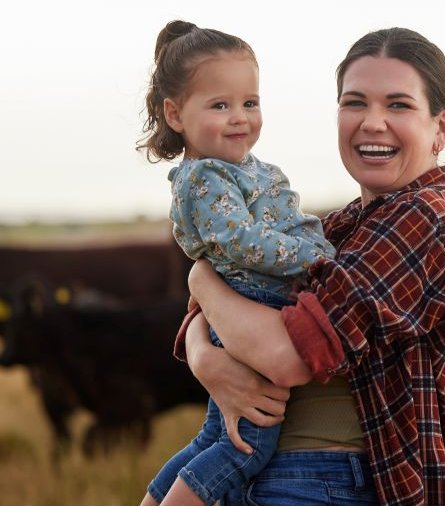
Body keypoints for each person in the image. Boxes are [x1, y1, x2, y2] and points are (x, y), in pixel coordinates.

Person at [167, 27, 445, 505]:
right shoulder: (336, 228)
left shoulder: (428, 219)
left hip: (328, 480)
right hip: (266, 469)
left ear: (442, 127)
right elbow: (214, 310)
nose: (373, 122)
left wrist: (200, 276)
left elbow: (285, 356)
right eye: (355, 103)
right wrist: (207, 358)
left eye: (398, 105)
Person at [135, 20, 336, 506]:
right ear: (175, 114)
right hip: (252, 299)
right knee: (246, 446)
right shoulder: (204, 176)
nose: (240, 117)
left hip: (246, 299)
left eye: (250, 102)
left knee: (213, 437)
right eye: (220, 105)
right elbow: (242, 243)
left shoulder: (242, 168)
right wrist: (314, 257)